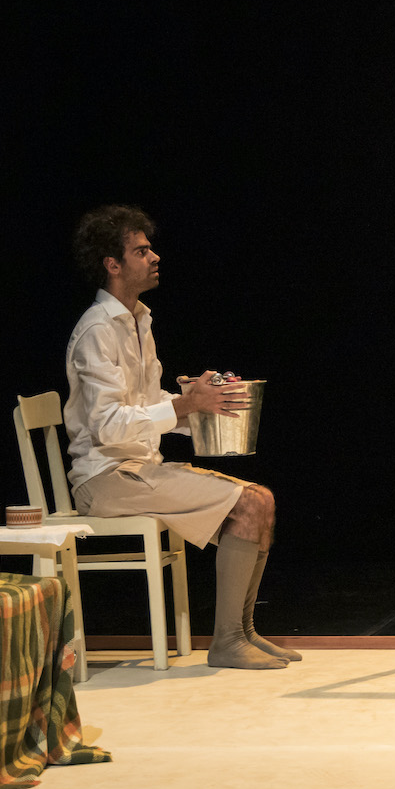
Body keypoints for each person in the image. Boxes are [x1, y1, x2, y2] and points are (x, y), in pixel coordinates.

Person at [63, 204, 297, 670]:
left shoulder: (138, 321)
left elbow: (146, 404)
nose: (154, 257)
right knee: (248, 504)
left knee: (262, 500)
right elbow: (108, 426)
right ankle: (228, 640)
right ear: (113, 264)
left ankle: (243, 630)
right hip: (106, 478)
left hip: (137, 468)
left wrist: (203, 407)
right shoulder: (96, 331)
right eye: (140, 251)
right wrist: (186, 407)